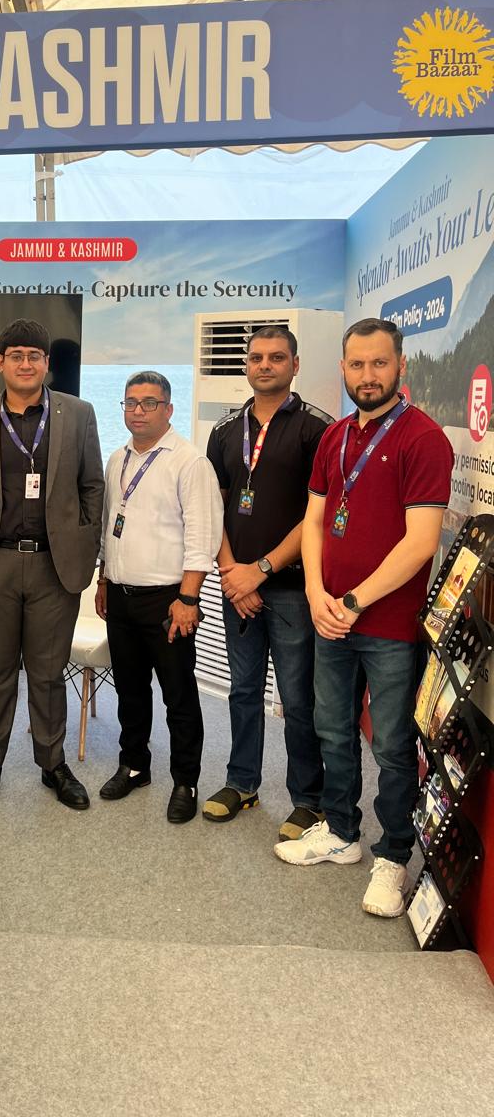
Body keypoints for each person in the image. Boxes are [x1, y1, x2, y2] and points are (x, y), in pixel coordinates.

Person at [275, 318, 454, 918]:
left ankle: (393, 856)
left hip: (388, 626)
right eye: (357, 365)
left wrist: (353, 602)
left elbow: (419, 543)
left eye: (379, 363)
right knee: (332, 728)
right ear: (343, 369)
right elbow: (315, 521)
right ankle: (342, 831)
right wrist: (317, 592)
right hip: (329, 615)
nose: (368, 375)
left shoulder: (423, 438)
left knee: (395, 747)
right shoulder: (335, 437)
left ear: (401, 365)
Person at [0, 318, 104, 812]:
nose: (25, 363)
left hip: (53, 566)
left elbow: (92, 486)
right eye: (15, 355)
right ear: (1, 363)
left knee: (48, 673)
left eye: (34, 356)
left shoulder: (78, 413)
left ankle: (53, 764)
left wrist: (84, 546)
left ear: (46, 363)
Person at [202, 326, 332, 841]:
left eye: (276, 357)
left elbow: (317, 517)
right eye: (256, 357)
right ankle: (242, 783)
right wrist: (233, 574)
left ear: (295, 365)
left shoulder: (318, 430)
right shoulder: (224, 430)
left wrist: (261, 569)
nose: (264, 365)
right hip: (237, 585)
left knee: (298, 699)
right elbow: (213, 508)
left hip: (293, 587)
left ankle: (308, 800)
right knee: (243, 690)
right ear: (246, 365)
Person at [96, 372, 222, 823]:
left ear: (168, 409)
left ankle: (185, 780)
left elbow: (202, 537)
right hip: (121, 596)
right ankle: (134, 766)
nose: (138, 411)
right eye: (130, 402)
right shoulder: (118, 458)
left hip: (169, 600)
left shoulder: (189, 462)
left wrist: (189, 599)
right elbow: (111, 525)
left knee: (178, 695)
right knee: (129, 691)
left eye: (149, 403)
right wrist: (104, 579)